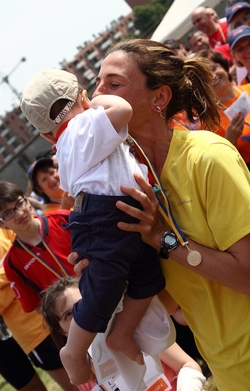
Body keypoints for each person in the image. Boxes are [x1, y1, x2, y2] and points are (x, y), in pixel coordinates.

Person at [69, 38, 250, 391]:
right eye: (98, 82)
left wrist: (162, 238)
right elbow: (171, 296)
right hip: (227, 367)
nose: (95, 94)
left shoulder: (208, 158)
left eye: (113, 83)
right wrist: (106, 269)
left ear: (159, 98)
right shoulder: (136, 181)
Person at [19, 68, 165, 385]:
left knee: (147, 276)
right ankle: (73, 350)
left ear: (45, 136)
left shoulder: (65, 146)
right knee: (104, 290)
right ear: (84, 98)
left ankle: (121, 333)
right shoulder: (84, 124)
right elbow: (123, 109)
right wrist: (96, 102)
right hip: (104, 218)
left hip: (105, 216)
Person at [0, 182, 82, 391]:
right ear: (1, 223)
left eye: (19, 204)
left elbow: (25, 241)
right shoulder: (13, 264)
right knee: (86, 384)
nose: (17, 213)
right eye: (9, 213)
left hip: (97, 304)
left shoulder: (62, 219)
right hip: (51, 331)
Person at [41, 276, 206, 391]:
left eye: (82, 305)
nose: (79, 317)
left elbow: (188, 366)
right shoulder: (81, 373)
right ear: (61, 330)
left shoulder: (136, 331)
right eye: (68, 315)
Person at [196, 48, 250, 167]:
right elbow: (224, 166)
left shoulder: (248, 88)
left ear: (224, 67)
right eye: (205, 76)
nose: (213, 76)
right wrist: (230, 141)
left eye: (214, 68)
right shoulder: (208, 125)